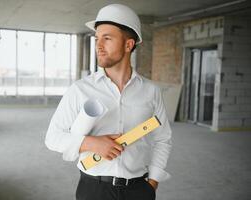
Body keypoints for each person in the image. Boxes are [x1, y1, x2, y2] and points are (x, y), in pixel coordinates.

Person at [45, 4, 172, 200]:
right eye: (97, 39)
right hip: (94, 190)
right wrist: (91, 144)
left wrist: (153, 183)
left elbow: (163, 138)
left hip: (138, 189)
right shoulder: (80, 89)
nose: (98, 45)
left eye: (107, 38)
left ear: (128, 45)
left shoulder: (151, 91)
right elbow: (52, 137)